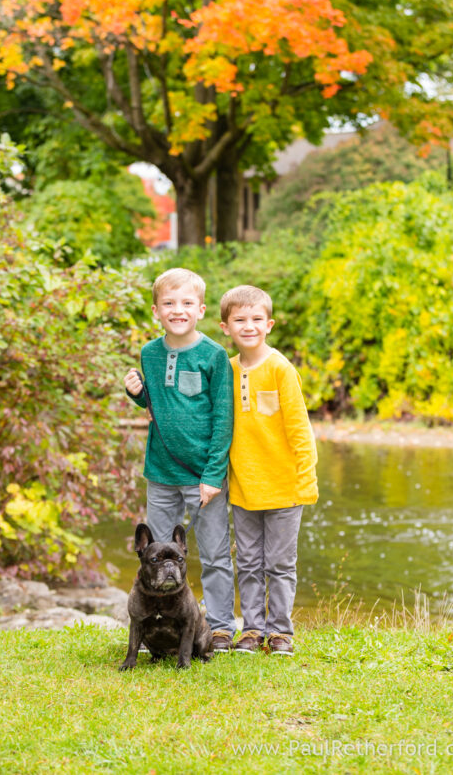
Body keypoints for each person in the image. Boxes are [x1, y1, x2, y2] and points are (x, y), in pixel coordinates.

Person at [124, 267, 236, 651]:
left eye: (187, 303)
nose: (178, 310)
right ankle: (162, 625)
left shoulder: (214, 355)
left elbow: (224, 418)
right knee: (158, 556)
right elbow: (158, 404)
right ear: (156, 310)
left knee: (214, 552)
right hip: (160, 473)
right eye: (169, 303)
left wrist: (213, 474)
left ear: (201, 309)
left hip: (202, 476)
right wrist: (137, 394)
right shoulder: (149, 353)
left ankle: (219, 627)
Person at [219, 284, 318, 656]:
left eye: (256, 319)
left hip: (285, 486)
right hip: (244, 486)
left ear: (270, 324)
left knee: (279, 563)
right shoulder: (226, 370)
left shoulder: (280, 369)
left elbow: (299, 428)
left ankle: (280, 632)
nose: (249, 326)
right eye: (240, 319)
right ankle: (252, 629)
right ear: (226, 326)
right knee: (247, 561)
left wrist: (305, 479)